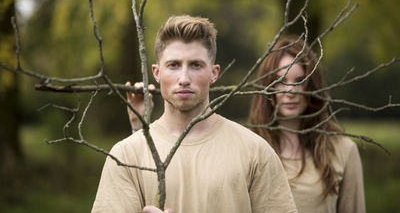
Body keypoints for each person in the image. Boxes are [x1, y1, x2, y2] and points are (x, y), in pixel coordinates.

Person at [91, 15, 298, 213]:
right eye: (173, 65)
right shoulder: (126, 155)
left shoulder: (255, 152)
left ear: (214, 73)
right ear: (156, 73)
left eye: (195, 65)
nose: (183, 78)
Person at [249, 37, 366, 213]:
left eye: (300, 80)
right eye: (281, 80)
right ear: (267, 87)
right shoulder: (249, 149)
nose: (291, 91)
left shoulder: (343, 150)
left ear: (312, 86)